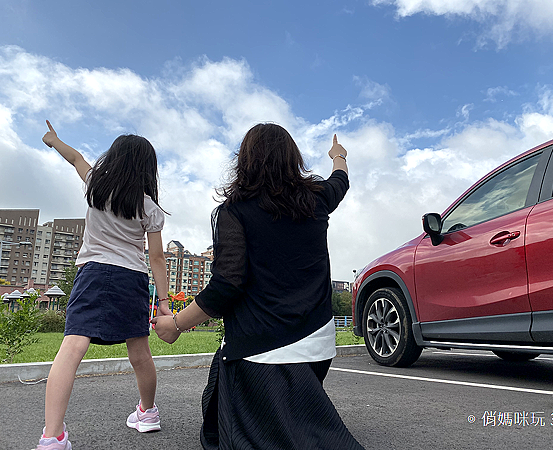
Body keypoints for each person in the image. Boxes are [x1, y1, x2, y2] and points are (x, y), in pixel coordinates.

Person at [152, 123, 365, 449]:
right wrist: (339, 156)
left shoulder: (234, 212)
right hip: (319, 344)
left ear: (245, 161)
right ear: (292, 159)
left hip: (262, 350)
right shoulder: (317, 199)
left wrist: (176, 325)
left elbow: (227, 284)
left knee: (233, 435)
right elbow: (341, 180)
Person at [34, 121, 171, 450]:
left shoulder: (96, 184)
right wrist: (164, 302)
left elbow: (76, 158)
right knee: (140, 353)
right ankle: (147, 413)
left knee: (71, 349)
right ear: (147, 169)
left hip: (94, 273)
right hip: (132, 278)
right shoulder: (149, 208)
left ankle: (52, 436)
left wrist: (53, 141)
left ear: (113, 158)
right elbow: (157, 258)